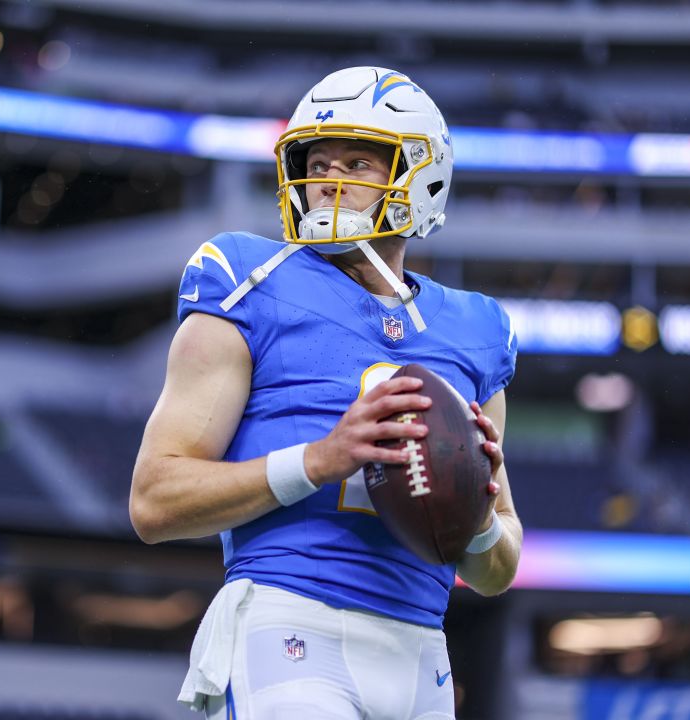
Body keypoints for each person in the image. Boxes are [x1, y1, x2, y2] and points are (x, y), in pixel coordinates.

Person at [130, 66, 522, 719]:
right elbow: (153, 501)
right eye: (317, 161)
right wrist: (320, 459)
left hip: (423, 653)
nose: (327, 180)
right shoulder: (246, 278)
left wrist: (474, 517)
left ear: (419, 177)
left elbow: (496, 570)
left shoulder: (478, 330)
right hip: (291, 621)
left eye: (359, 162)